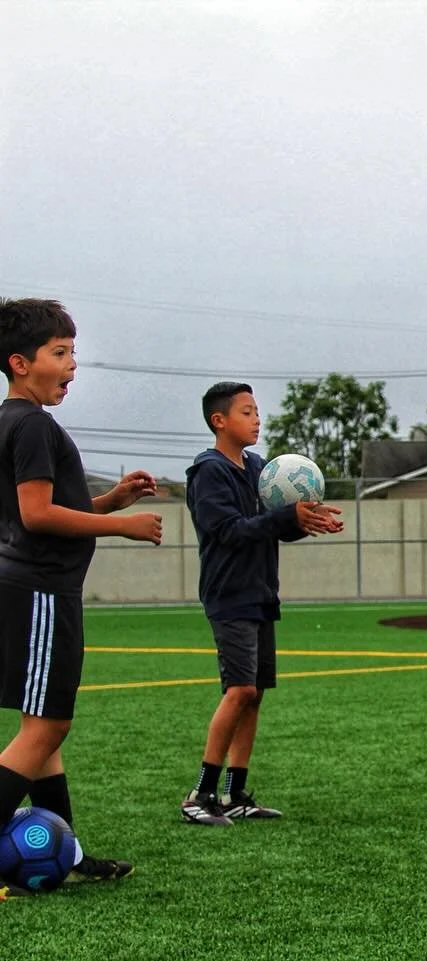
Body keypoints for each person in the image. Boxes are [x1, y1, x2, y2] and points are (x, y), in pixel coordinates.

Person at [0, 297, 163, 890]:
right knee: (46, 729)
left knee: (41, 726)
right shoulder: (35, 425)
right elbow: (39, 516)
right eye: (60, 353)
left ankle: (61, 854)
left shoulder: (10, 421)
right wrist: (122, 526)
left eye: (73, 354)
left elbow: (34, 512)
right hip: (43, 592)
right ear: (21, 362)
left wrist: (109, 502)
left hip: (24, 588)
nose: (72, 366)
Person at [179, 382, 343, 827]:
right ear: (220, 421)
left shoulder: (257, 467)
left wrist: (305, 521)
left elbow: (269, 526)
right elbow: (228, 529)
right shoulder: (209, 471)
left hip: (260, 591)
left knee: (255, 695)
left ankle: (234, 793)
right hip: (229, 592)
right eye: (247, 412)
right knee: (240, 690)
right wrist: (285, 518)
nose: (257, 419)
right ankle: (200, 793)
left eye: (256, 411)